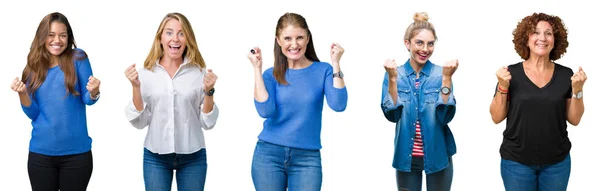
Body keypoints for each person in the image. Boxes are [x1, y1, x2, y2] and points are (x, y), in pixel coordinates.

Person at [247, 12, 348, 191]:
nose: (294, 44)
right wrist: (257, 69)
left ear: (307, 38)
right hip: (268, 156)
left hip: (307, 159)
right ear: (278, 41)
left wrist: (336, 64)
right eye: (287, 38)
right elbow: (265, 111)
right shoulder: (270, 75)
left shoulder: (324, 70)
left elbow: (338, 104)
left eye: (299, 37)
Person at [489, 12, 586, 191]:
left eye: (548, 33)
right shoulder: (510, 74)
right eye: (535, 32)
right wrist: (503, 86)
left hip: (556, 164)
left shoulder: (566, 75)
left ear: (555, 40)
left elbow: (574, 119)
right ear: (526, 39)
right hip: (517, 163)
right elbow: (496, 117)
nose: (542, 38)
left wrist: (578, 90)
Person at [124, 12, 219, 191]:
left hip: (193, 157)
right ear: (160, 38)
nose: (175, 39)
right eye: (169, 33)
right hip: (155, 157)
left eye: (181, 33)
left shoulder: (199, 73)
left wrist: (209, 92)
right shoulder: (146, 73)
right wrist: (136, 87)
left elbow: (207, 123)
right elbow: (139, 122)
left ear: (188, 39)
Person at [10, 12, 101, 191]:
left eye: (62, 35)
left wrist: (94, 91)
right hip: (41, 155)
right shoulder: (32, 67)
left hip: (77, 154)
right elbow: (33, 113)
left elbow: (87, 98)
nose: (57, 40)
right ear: (42, 37)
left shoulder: (78, 58)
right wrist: (22, 94)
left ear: (68, 37)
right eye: (51, 35)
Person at [380, 12, 459, 191]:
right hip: (407, 157)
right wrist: (392, 80)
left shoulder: (442, 73)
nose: (425, 49)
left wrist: (446, 78)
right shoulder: (394, 74)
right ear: (407, 43)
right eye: (419, 43)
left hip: (438, 155)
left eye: (430, 44)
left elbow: (445, 116)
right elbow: (392, 114)